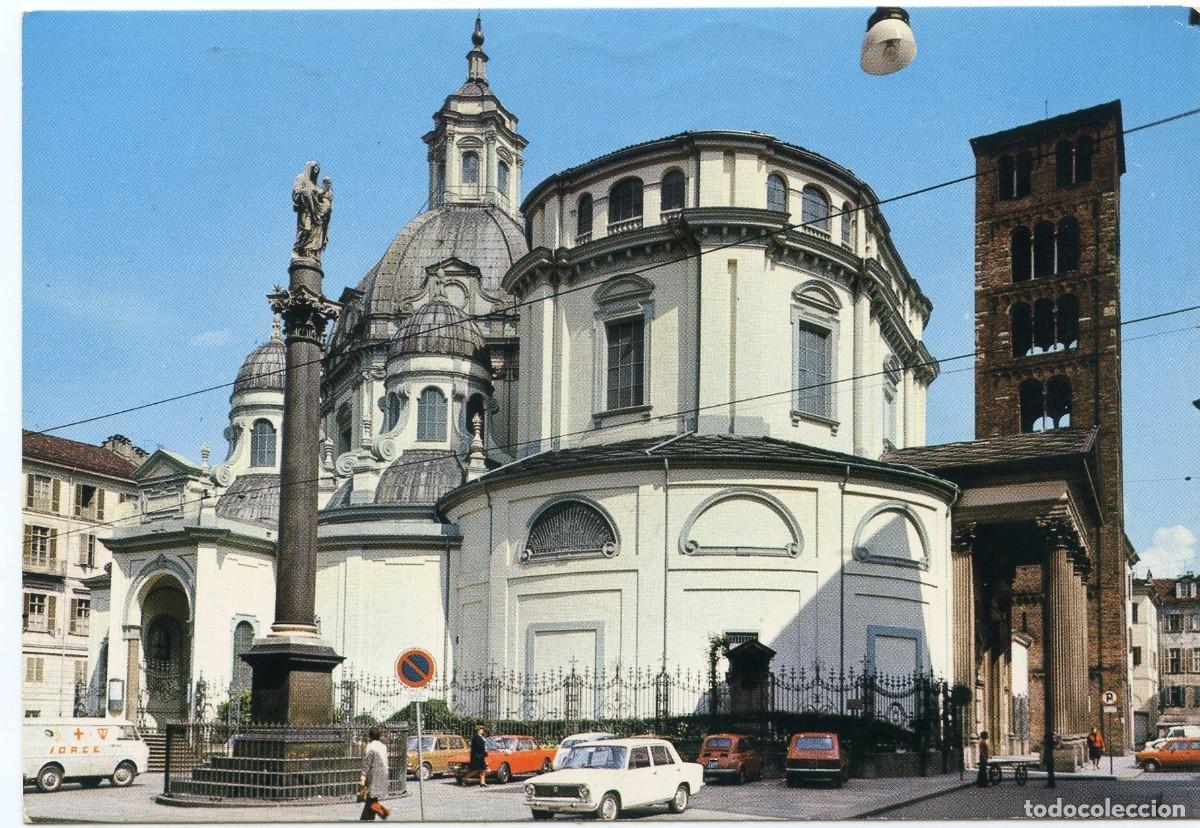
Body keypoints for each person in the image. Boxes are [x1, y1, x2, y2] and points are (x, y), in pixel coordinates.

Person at [359, 727, 390, 821]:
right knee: (373, 798)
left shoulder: (370, 746)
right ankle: (372, 817)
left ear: (370, 736)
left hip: (374, 775)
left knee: (370, 798)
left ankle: (365, 819)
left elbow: (367, 762)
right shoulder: (383, 746)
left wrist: (363, 775)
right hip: (383, 774)